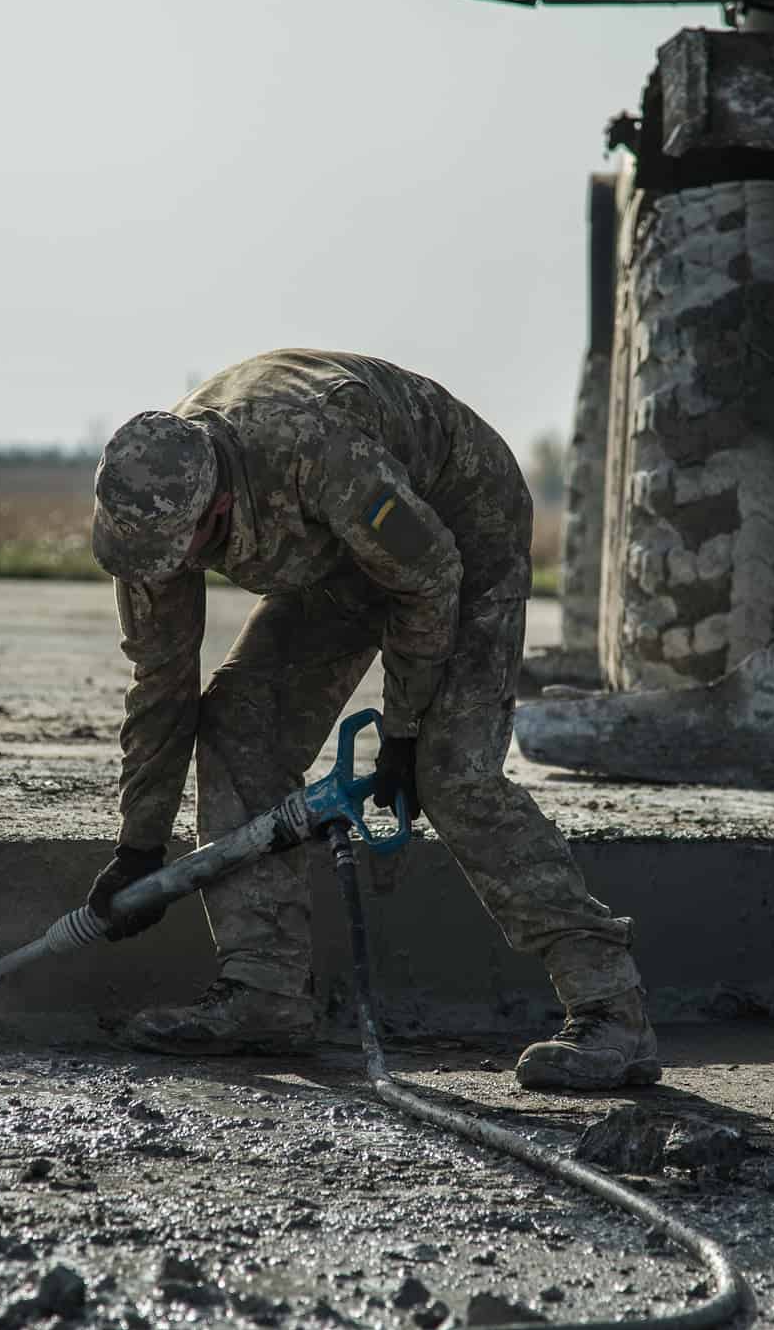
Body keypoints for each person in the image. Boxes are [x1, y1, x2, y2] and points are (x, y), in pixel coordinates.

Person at [86, 348, 656, 1090]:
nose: (163, 578)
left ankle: (611, 1007)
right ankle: (264, 993)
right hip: (337, 558)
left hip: (455, 529)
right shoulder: (150, 520)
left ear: (216, 511)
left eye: (176, 560)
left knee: (450, 774)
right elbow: (163, 686)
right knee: (238, 728)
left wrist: (404, 728)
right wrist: (140, 846)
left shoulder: (313, 448)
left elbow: (428, 576)